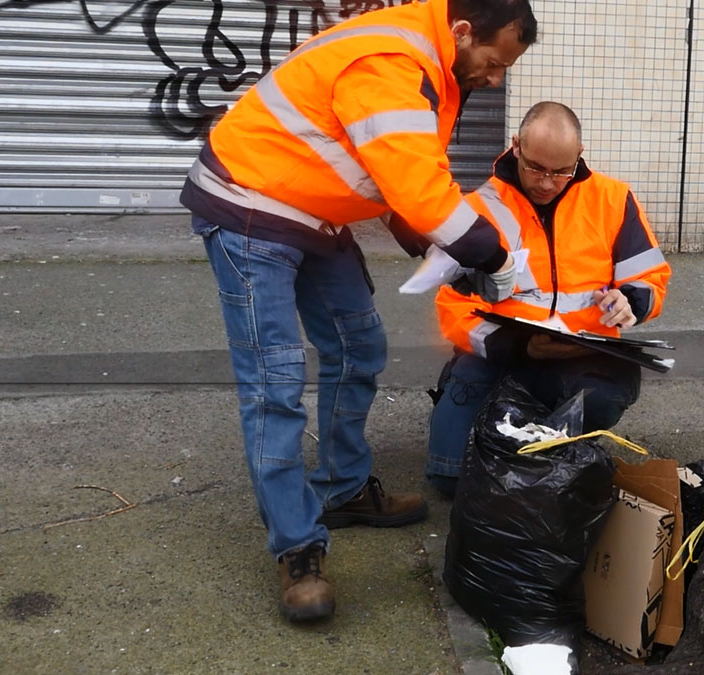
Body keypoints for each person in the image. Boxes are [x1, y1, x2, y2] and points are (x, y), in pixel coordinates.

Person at [178, 0, 538, 622]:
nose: (496, 77)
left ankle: (342, 490)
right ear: (461, 31)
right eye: (494, 61)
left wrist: (436, 246)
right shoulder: (390, 61)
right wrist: (492, 254)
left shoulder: (431, 64)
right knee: (275, 385)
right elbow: (421, 193)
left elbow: (403, 181)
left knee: (359, 347)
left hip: (312, 210)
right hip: (250, 206)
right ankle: (298, 548)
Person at [426, 101, 672, 497]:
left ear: (580, 157)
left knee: (595, 409)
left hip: (581, 357)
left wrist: (631, 302)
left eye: (560, 171)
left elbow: (648, 279)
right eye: (536, 167)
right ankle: (509, 430)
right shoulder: (477, 210)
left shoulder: (614, 200)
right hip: (502, 356)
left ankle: (534, 445)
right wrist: (516, 345)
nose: (545, 182)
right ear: (516, 146)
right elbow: (451, 308)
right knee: (449, 481)